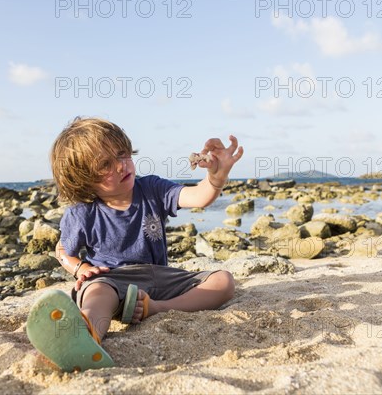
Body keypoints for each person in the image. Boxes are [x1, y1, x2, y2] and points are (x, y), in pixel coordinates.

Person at [26, 117, 244, 372]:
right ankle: (86, 335)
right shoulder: (82, 213)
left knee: (223, 281)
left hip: (159, 279)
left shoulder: (152, 188)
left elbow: (197, 197)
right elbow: (62, 250)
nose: (120, 166)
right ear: (83, 180)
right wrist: (79, 268)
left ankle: (155, 310)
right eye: (105, 164)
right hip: (112, 280)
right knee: (96, 295)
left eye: (122, 154)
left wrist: (216, 178)